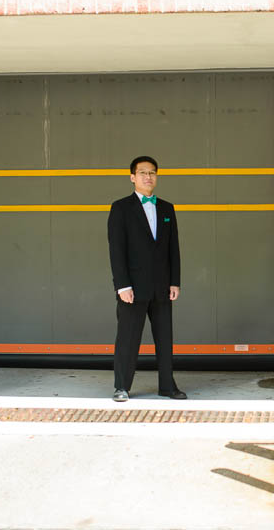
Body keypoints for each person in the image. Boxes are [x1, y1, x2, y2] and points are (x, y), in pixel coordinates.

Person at [107, 155, 186, 401]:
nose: (148, 177)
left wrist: (175, 281)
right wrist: (122, 285)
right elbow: (116, 249)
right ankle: (122, 387)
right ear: (132, 177)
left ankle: (167, 386)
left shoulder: (166, 208)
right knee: (128, 339)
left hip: (162, 286)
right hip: (132, 287)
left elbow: (174, 248)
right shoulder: (120, 208)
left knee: (165, 338)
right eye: (142, 173)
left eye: (152, 173)